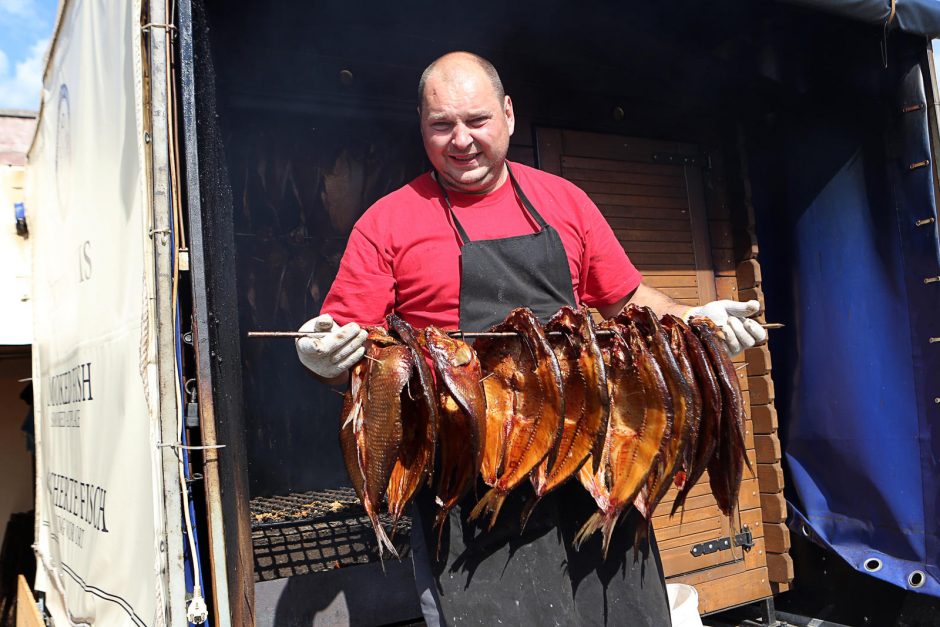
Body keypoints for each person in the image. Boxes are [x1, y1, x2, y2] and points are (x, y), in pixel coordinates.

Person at [296, 51, 766, 626]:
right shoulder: (388, 222)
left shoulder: (564, 201)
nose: (461, 140)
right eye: (442, 125)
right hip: (467, 487)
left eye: (477, 120)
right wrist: (320, 355)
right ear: (421, 127)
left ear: (509, 115)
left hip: (591, 470)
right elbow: (345, 345)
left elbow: (629, 301)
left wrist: (699, 325)